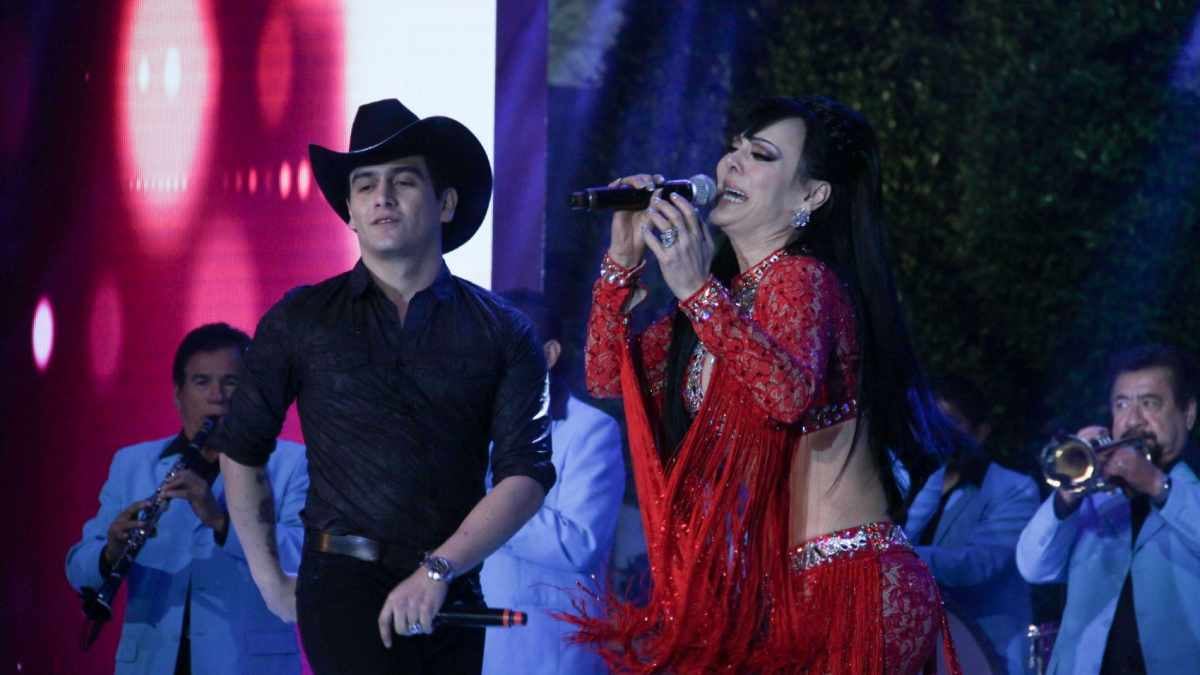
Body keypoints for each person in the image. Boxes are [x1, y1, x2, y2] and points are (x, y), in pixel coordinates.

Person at [567, 96, 959, 673]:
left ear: (811, 195)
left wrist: (696, 289)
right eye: (734, 148)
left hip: (849, 582)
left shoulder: (804, 279)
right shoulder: (718, 303)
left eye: (761, 155)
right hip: (774, 594)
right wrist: (622, 261)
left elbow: (786, 397)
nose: (731, 164)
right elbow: (605, 377)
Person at [209, 98, 556, 675]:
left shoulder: (503, 331)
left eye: (403, 181)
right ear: (349, 210)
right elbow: (242, 447)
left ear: (446, 203)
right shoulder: (303, 318)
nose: (382, 197)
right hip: (340, 584)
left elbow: (528, 473)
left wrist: (439, 570)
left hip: (451, 586)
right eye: (365, 185)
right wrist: (269, 579)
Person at [65, 323, 308, 675]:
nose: (217, 396)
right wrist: (110, 553)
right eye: (202, 382)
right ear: (178, 394)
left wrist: (221, 521)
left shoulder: (291, 463)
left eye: (231, 382)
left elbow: (303, 559)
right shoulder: (132, 464)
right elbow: (77, 568)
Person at [1016, 344, 1200, 675]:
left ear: (1188, 413)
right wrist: (1069, 491)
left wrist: (1154, 483)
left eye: (1149, 403)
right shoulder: (1094, 496)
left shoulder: (1191, 491)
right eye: (1121, 404)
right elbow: (1034, 567)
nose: (1133, 420)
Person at [480, 290, 625, 675]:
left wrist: (486, 502)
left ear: (548, 354)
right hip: (463, 640)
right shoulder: (467, 425)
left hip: (543, 649)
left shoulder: (590, 431)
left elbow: (579, 546)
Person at [905, 375, 1040, 674]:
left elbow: (978, 564)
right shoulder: (910, 483)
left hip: (987, 654)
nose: (937, 433)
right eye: (930, 422)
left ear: (980, 433)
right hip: (917, 650)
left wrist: (901, 557)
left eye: (950, 422)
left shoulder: (1014, 489)